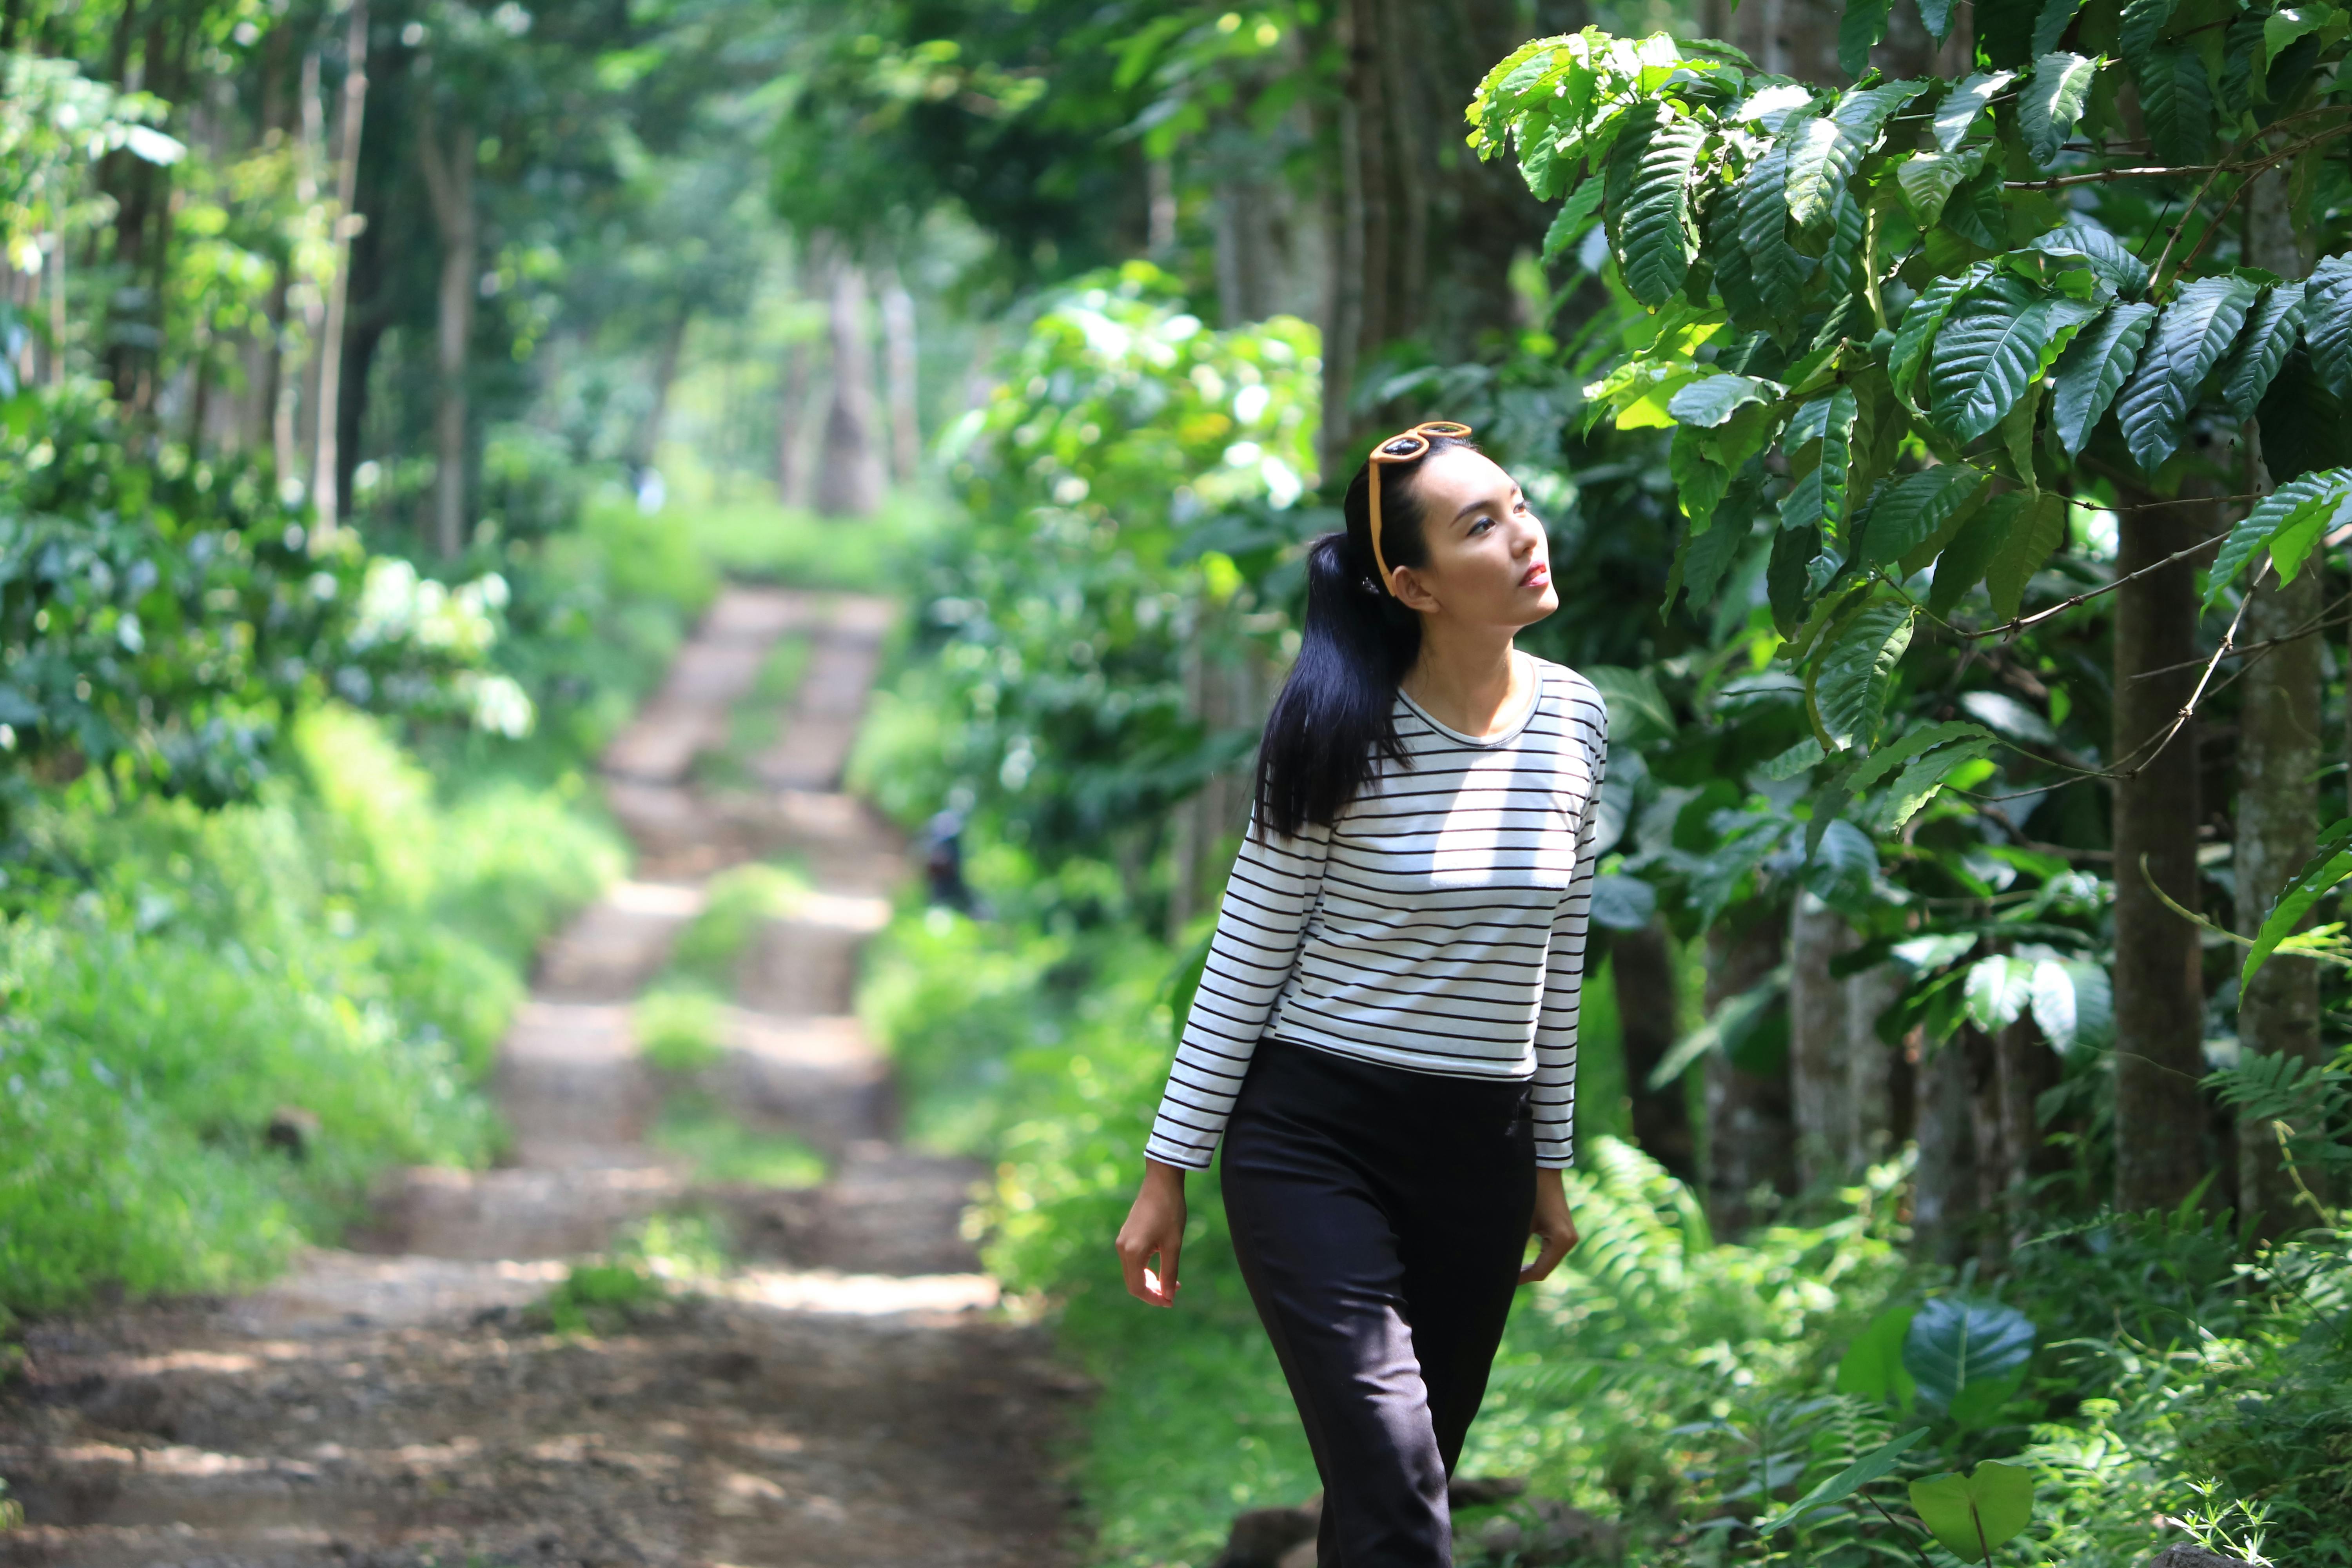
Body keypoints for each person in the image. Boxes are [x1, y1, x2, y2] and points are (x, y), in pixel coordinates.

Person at [1115, 422, 1607, 1566]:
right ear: (1411, 582)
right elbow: (1247, 951)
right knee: (1394, 1470)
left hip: (1478, 1151)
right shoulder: (1336, 724)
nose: (1524, 534)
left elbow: (1558, 952)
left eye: (1517, 504)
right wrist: (1166, 1170)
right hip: (1314, 1141)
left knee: (1392, 1490)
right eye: (1478, 525)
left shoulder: (1577, 716)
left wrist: (1547, 1160)